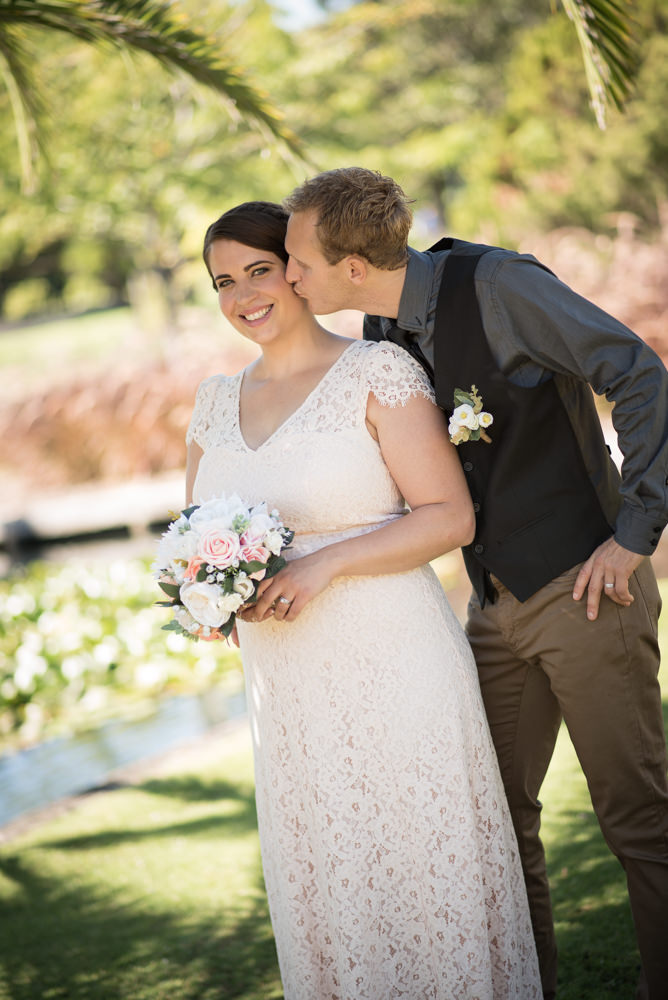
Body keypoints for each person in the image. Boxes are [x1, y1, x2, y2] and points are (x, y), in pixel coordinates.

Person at [282, 167, 668, 1000]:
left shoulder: (500, 285)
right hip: (491, 613)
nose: (288, 276)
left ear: (351, 264)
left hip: (587, 592)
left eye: (297, 261)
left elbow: (637, 372)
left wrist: (635, 535)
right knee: (494, 826)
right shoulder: (380, 329)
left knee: (639, 822)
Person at [185, 200, 542, 998]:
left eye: (260, 271)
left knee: (419, 862)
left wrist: (327, 565)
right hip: (288, 687)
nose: (243, 294)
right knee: (332, 877)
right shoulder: (211, 401)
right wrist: (205, 595)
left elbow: (450, 515)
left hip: (393, 659)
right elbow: (196, 532)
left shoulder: (375, 372)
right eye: (222, 282)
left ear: (299, 270)